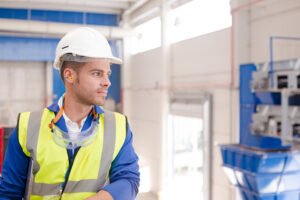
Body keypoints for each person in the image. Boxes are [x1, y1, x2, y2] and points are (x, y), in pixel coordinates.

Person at [0, 27, 140, 200]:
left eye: (107, 74)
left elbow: (129, 179)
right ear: (69, 75)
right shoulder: (28, 126)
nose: (107, 82)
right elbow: (9, 193)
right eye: (97, 73)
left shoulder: (118, 126)